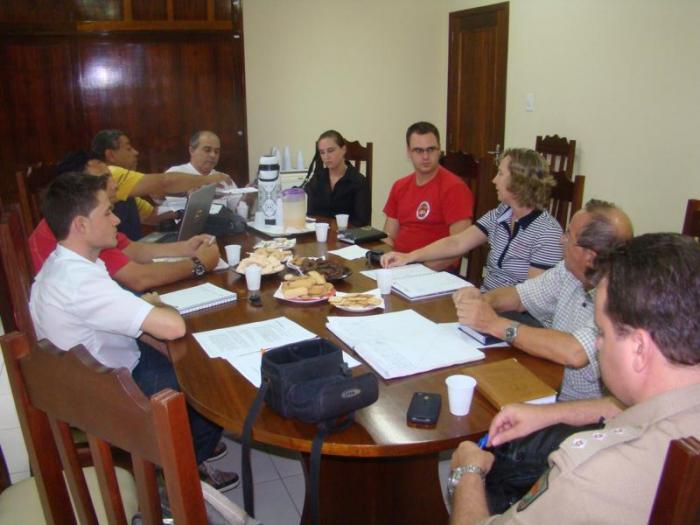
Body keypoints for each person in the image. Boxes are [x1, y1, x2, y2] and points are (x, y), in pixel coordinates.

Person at [448, 233, 700, 524]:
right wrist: (550, 413)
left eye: (602, 332)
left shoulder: (588, 474)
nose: (596, 345)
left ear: (640, 349)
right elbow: (651, 409)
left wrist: (467, 472)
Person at [29, 171, 238, 491]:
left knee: (187, 358)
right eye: (107, 212)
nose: (116, 220)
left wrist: (157, 321)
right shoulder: (79, 282)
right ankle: (177, 475)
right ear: (81, 225)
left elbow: (136, 326)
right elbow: (172, 326)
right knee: (208, 384)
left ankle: (185, 450)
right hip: (105, 391)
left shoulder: (69, 263)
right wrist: (159, 309)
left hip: (96, 371)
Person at [454, 200, 633, 401]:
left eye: (568, 235)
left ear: (589, 256)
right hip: (548, 387)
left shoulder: (623, 298)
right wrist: (482, 299)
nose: (561, 240)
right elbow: (520, 296)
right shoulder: (568, 271)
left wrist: (496, 325)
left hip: (581, 413)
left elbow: (575, 353)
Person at [28, 152, 221, 292]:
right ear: (79, 190)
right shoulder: (81, 230)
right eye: (103, 180)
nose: (114, 185)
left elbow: (132, 249)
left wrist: (185, 248)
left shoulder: (92, 219)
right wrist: (198, 264)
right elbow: (138, 278)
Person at [381, 149, 562, 291]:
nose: (493, 180)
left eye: (500, 174)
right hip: (488, 300)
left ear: (518, 181)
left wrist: (483, 300)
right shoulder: (501, 213)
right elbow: (458, 242)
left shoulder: (547, 232)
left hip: (517, 318)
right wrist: (410, 257)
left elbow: (530, 297)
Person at [91, 129, 232, 238]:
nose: (136, 152)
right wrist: (208, 180)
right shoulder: (110, 174)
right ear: (110, 155)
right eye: (128, 148)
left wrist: (187, 211)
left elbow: (149, 216)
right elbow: (164, 182)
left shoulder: (127, 191)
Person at [383, 121, 474, 270]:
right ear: (408, 152)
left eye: (431, 149)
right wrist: (383, 260)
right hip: (400, 266)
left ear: (439, 150)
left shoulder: (455, 188)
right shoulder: (399, 186)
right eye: (418, 150)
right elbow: (389, 236)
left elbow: (458, 247)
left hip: (435, 271)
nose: (425, 156)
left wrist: (420, 271)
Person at [304, 129, 371, 226]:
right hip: (319, 234)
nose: (326, 157)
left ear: (343, 150)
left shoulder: (358, 181)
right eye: (322, 152)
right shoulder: (317, 178)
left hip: (348, 237)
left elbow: (362, 222)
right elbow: (309, 214)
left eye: (330, 151)